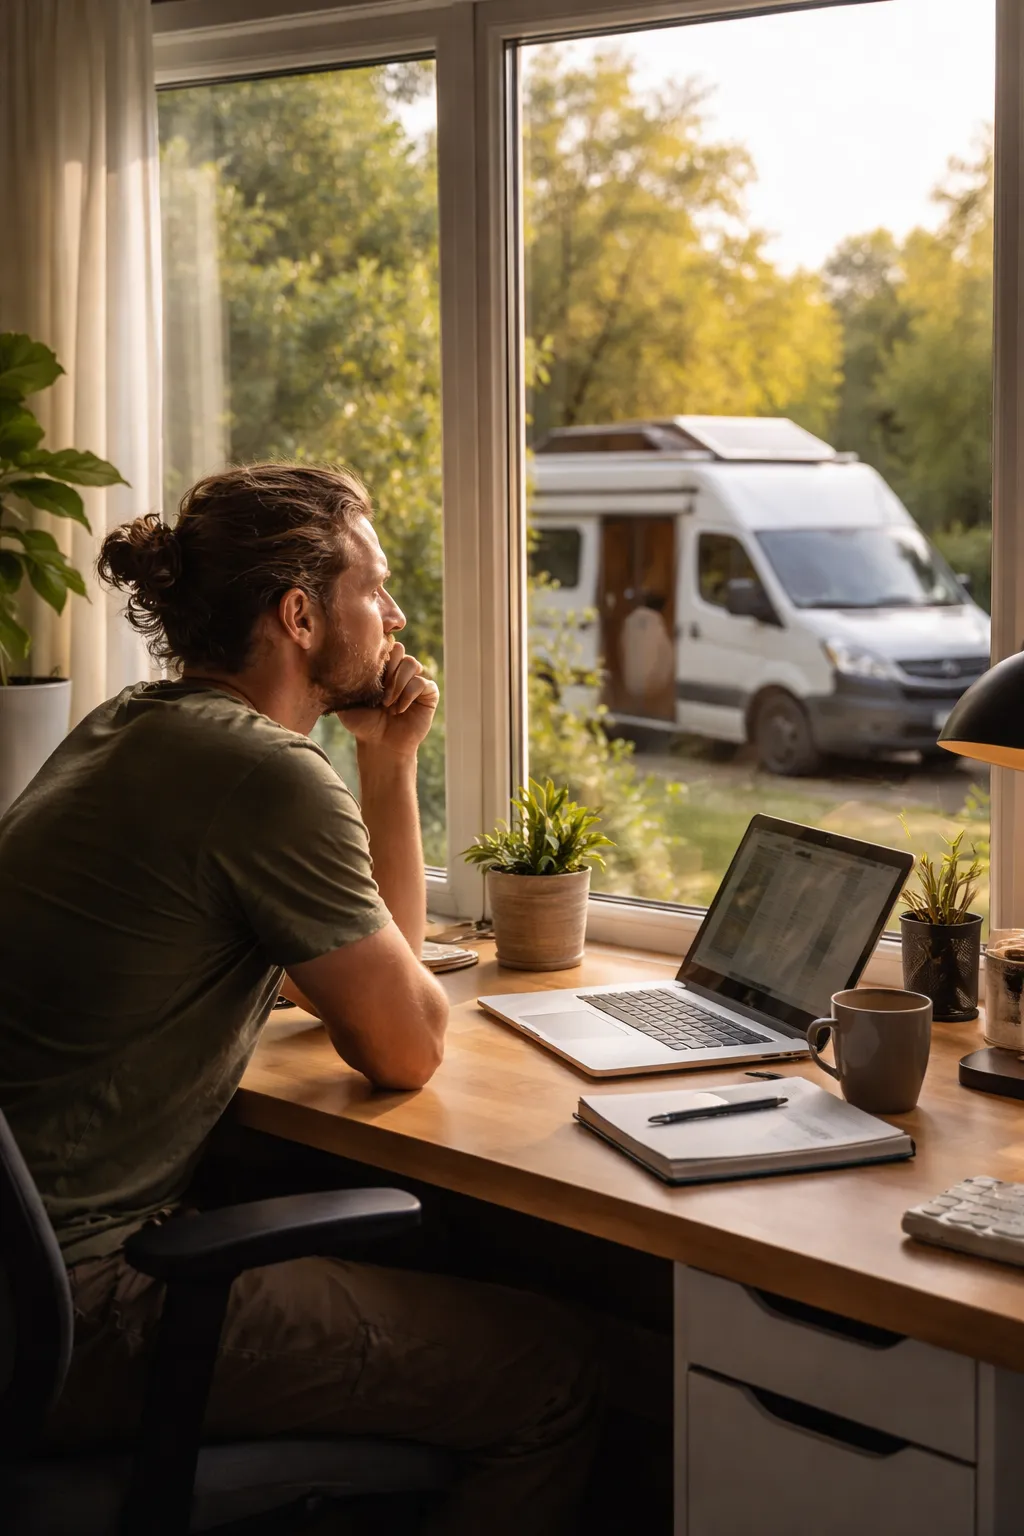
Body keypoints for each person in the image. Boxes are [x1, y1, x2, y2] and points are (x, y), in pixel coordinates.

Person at [0, 462, 602, 1534]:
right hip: (78, 1305)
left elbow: (371, 982)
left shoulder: (126, 727)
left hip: (25, 1274)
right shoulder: (263, 775)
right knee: (550, 1370)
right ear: (299, 613)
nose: (396, 613)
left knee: (437, 1257)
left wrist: (388, 763)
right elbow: (407, 1047)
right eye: (375, 586)